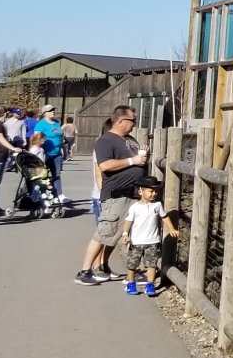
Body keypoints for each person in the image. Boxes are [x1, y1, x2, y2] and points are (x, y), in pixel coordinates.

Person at [77, 106, 148, 286]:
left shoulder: (129, 139)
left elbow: (135, 160)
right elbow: (105, 166)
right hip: (116, 194)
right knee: (104, 232)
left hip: (132, 193)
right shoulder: (106, 141)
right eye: (132, 120)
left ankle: (115, 269)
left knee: (119, 234)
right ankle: (85, 271)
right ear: (120, 121)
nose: (135, 124)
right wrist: (133, 161)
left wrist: (142, 157)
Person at [117, 178, 177, 296]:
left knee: (151, 264)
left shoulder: (157, 205)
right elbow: (128, 221)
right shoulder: (135, 207)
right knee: (132, 264)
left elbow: (165, 217)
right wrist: (125, 234)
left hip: (153, 241)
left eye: (155, 191)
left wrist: (172, 229)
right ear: (141, 192)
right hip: (137, 242)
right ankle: (131, 283)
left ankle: (150, 284)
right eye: (151, 191)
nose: (154, 194)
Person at [29, 108, 67, 203]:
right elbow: (36, 138)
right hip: (44, 154)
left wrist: (65, 150)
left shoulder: (57, 122)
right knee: (42, 175)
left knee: (57, 175)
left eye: (54, 110)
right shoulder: (41, 124)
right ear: (45, 113)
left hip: (57, 153)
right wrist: (33, 153)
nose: (53, 112)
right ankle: (42, 194)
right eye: (50, 111)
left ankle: (58, 195)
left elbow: (60, 137)